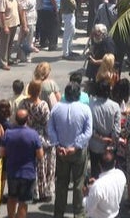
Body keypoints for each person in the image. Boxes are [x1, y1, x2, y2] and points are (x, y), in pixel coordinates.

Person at [47, 83, 91, 218]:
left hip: (61, 152)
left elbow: (50, 129)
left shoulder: (56, 108)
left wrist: (58, 145)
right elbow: (88, 132)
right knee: (78, 184)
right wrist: (75, 146)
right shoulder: (85, 109)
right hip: (78, 152)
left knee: (61, 183)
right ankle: (78, 214)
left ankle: (58, 213)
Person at [1, 108, 42, 218]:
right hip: (28, 173)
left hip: (12, 172)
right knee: (23, 202)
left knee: (12, 198)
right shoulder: (33, 134)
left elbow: (1, 153)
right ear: (27, 119)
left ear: (15, 119)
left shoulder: (8, 133)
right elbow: (40, 155)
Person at [84, 150, 126, 218]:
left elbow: (88, 208)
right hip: (115, 215)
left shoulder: (97, 187)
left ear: (99, 165)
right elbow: (109, 185)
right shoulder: (121, 175)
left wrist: (86, 194)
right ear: (114, 163)